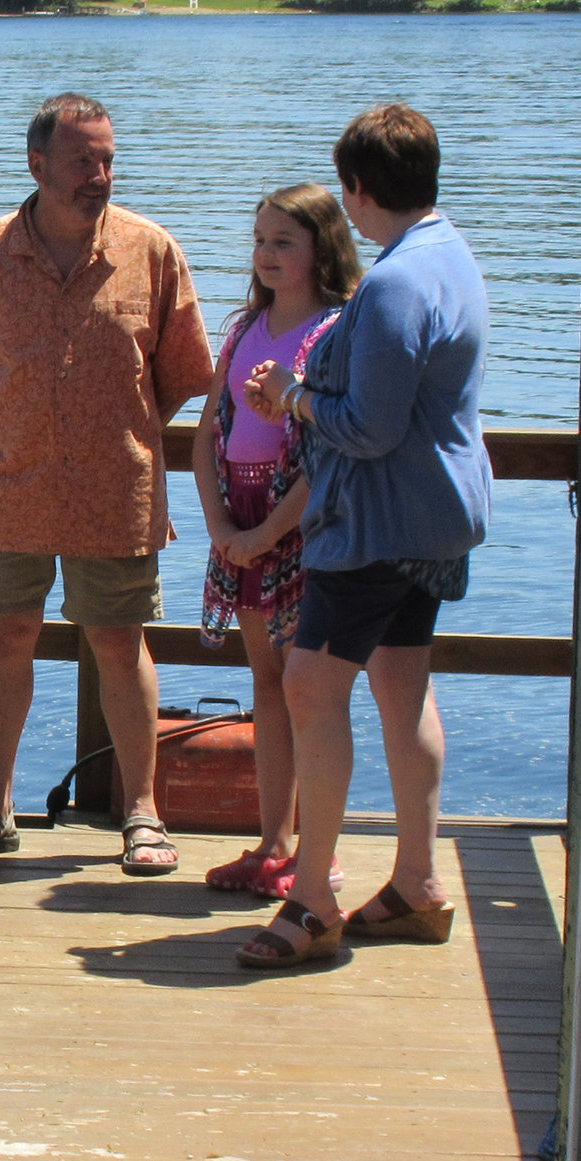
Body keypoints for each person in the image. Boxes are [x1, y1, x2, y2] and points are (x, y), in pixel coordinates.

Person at [0, 93, 214, 875]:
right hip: (6, 485)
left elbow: (184, 373)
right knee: (6, 635)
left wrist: (113, 425)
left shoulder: (151, 251)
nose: (100, 173)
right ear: (38, 163)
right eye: (83, 159)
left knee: (121, 643)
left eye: (108, 158)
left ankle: (143, 816)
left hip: (114, 488)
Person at [234, 102, 492, 970]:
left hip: (380, 522)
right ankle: (416, 884)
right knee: (402, 683)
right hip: (440, 515)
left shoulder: (392, 283)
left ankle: (310, 901)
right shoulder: (449, 254)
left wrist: (297, 400)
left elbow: (371, 428)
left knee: (309, 684)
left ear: (357, 188)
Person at [192, 185, 359, 899]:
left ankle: (316, 857)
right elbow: (206, 436)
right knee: (265, 683)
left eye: (283, 242)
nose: (265, 254)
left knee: (308, 690)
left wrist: (265, 531)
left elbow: (327, 458)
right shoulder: (242, 328)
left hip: (299, 524)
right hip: (241, 515)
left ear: (321, 248)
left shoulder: (334, 332)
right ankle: (271, 843)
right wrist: (222, 526)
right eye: (260, 240)